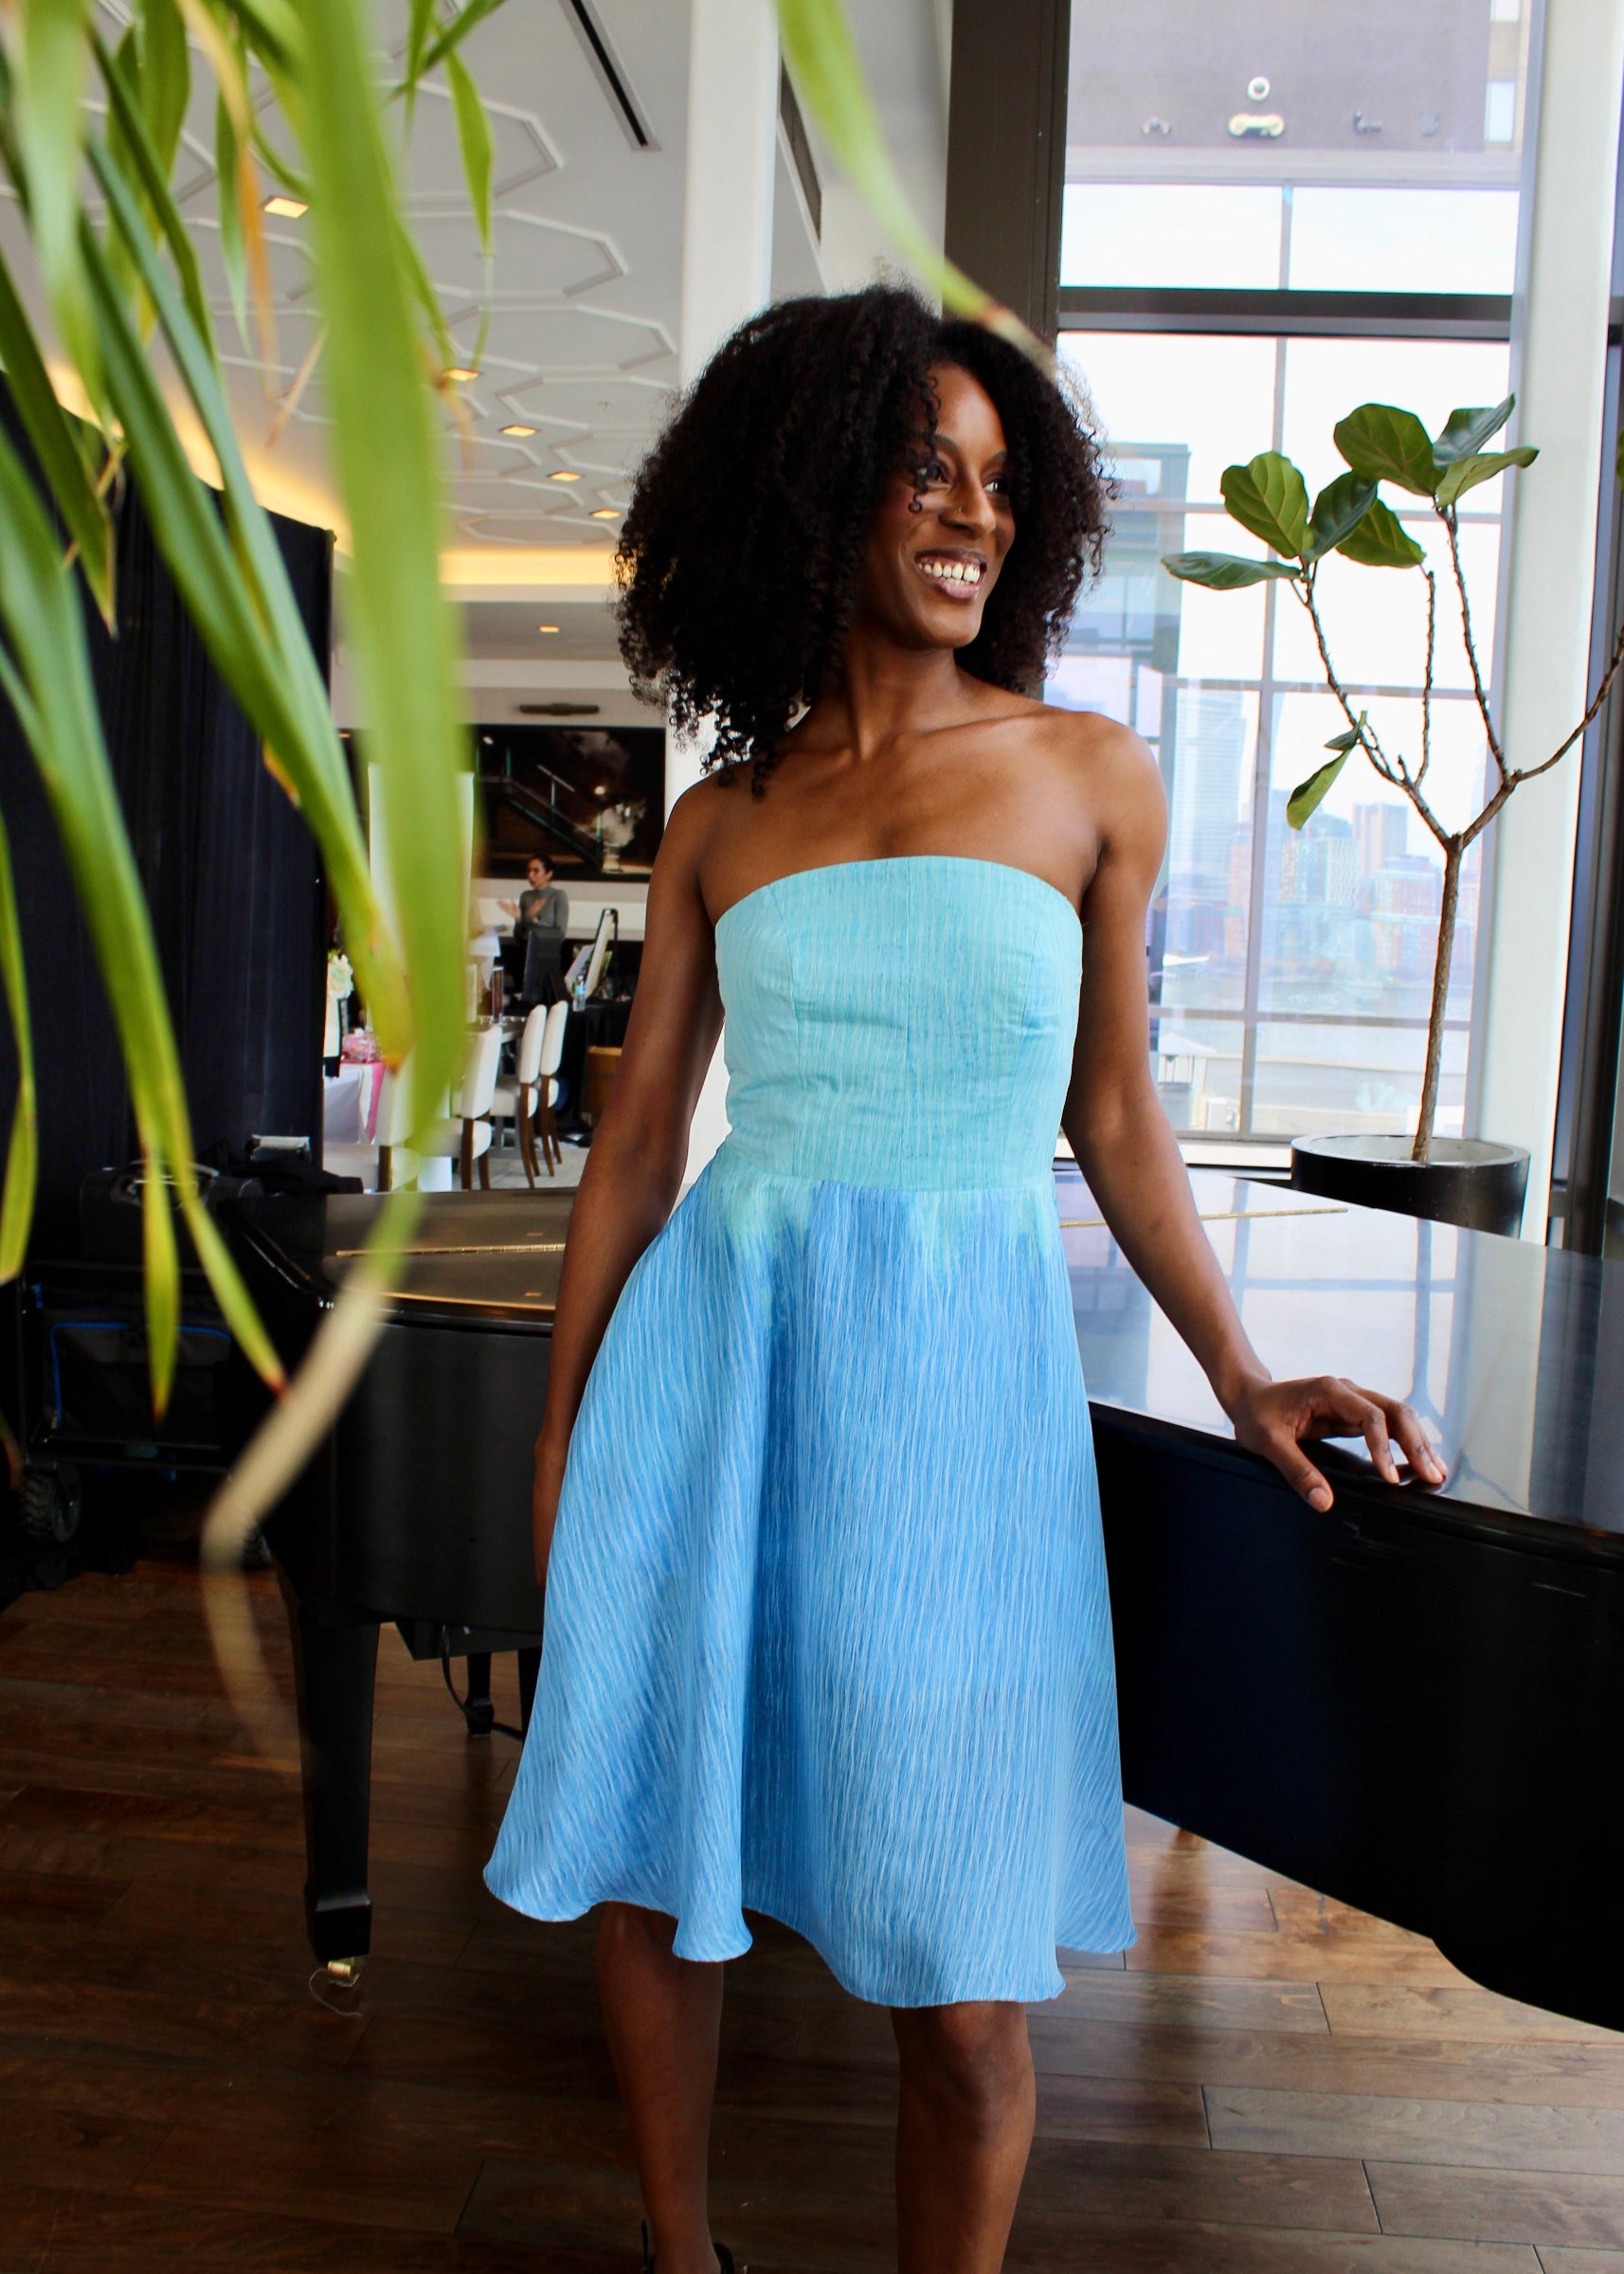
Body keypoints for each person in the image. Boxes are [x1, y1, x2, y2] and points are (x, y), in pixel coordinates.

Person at [485, 287, 1442, 2274]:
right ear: (813, 488)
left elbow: (1114, 1117)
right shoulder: (721, 824)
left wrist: (1243, 1372)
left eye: (1000, 483)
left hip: (951, 1404)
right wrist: (569, 1426)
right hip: (715, 1369)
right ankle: (687, 2254)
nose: (969, 515)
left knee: (965, 1979)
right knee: (656, 1863)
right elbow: (642, 1143)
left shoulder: (1091, 778)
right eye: (925, 466)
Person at [520, 852, 569, 1002]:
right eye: (529, 871)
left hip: (548, 957)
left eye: (536, 871)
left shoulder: (558, 895)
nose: (531, 875)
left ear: (548, 874)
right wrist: (524, 918)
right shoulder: (526, 896)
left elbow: (559, 932)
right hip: (526, 954)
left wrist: (534, 919)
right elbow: (520, 932)